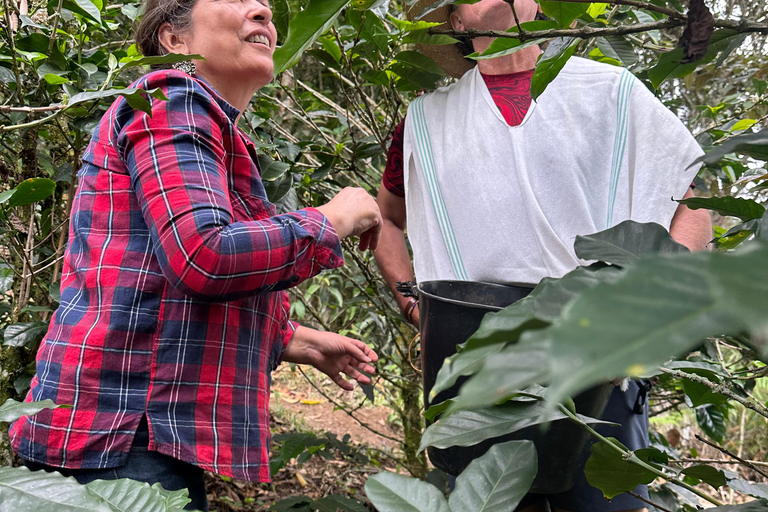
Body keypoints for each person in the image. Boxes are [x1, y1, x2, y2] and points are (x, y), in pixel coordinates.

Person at [9, 0, 381, 509]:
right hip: (119, 432)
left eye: (267, 6)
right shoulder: (172, 97)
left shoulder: (202, 124)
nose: (263, 10)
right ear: (174, 40)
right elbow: (204, 255)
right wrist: (333, 219)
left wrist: (292, 340)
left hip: (122, 431)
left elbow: (155, 283)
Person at [374, 1, 713, 511]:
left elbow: (692, 201)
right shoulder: (426, 120)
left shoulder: (612, 96)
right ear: (456, 22)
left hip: (597, 365)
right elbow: (385, 220)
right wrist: (415, 305)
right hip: (473, 366)